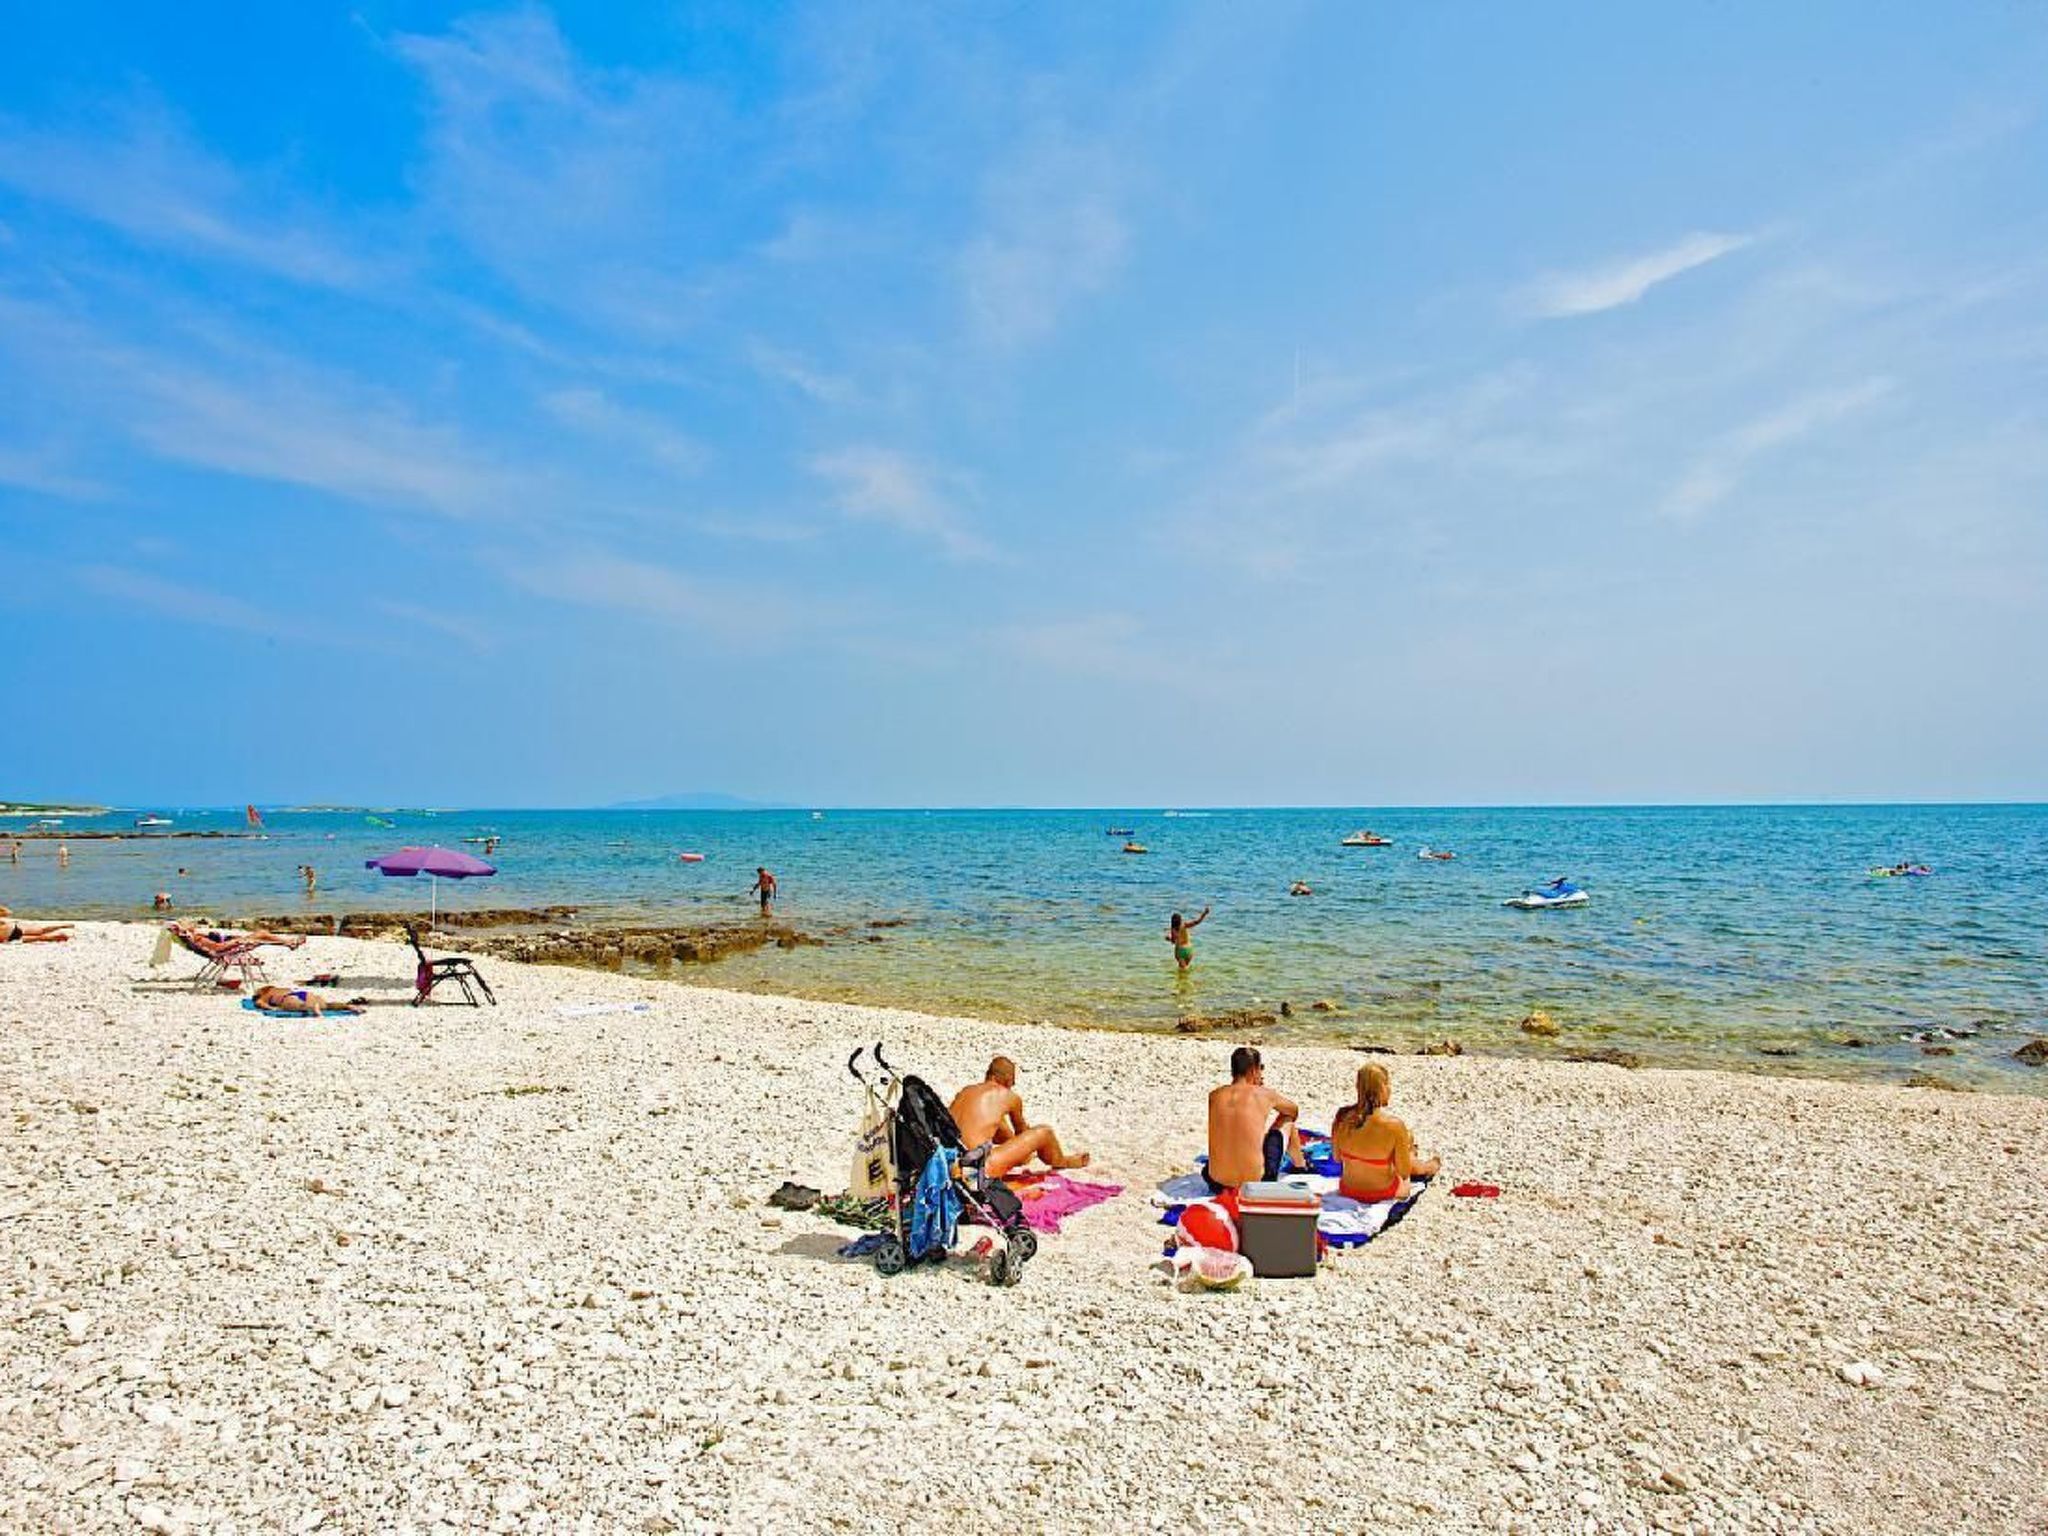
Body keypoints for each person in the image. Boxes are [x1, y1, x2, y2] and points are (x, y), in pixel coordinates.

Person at [949, 1056, 1090, 1177]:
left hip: (946, 1164)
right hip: (973, 1170)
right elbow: (1022, 1133)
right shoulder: (1009, 1096)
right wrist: (1024, 1155)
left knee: (998, 1125)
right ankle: (1063, 1161)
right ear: (1009, 1080)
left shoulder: (966, 1091)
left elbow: (1000, 1133)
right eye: (1013, 1082)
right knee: (1044, 1132)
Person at [1330, 1062, 1439, 1203]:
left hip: (1348, 1190)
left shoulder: (1342, 1116)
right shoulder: (1394, 1126)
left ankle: (1416, 1157)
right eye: (1388, 1085)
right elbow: (1404, 1172)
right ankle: (1427, 1166)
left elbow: (1337, 1158)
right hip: (1383, 1193)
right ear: (1382, 1089)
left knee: (1400, 1146)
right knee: (1407, 1152)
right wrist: (1405, 1149)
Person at [1204, 1045, 1306, 1193]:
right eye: (1261, 1068)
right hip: (1256, 1185)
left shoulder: (1214, 1095)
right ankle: (1300, 1166)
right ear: (1253, 1070)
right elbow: (1294, 1111)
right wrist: (1261, 1090)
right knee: (1288, 1120)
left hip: (1217, 1184)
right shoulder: (1264, 1094)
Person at [251, 984, 365, 1018]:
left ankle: (312, 1008)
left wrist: (273, 1008)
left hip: (287, 998)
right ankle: (349, 1006)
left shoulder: (265, 995)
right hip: (304, 993)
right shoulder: (277, 988)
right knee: (327, 1005)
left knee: (300, 1006)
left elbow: (259, 1003)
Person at [1168, 905, 1211, 971]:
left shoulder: (1173, 930)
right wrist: (1204, 913)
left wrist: (1168, 938)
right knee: (1185, 970)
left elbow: (1174, 941)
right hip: (1189, 950)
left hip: (1180, 952)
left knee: (1182, 972)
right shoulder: (1184, 925)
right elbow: (1196, 922)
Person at [0, 907, 73, 943]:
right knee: (41, 931)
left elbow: (8, 912)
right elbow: (8, 912)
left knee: (40, 937)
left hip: (7, 937)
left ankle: (60, 932)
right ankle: (62, 927)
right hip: (11, 928)